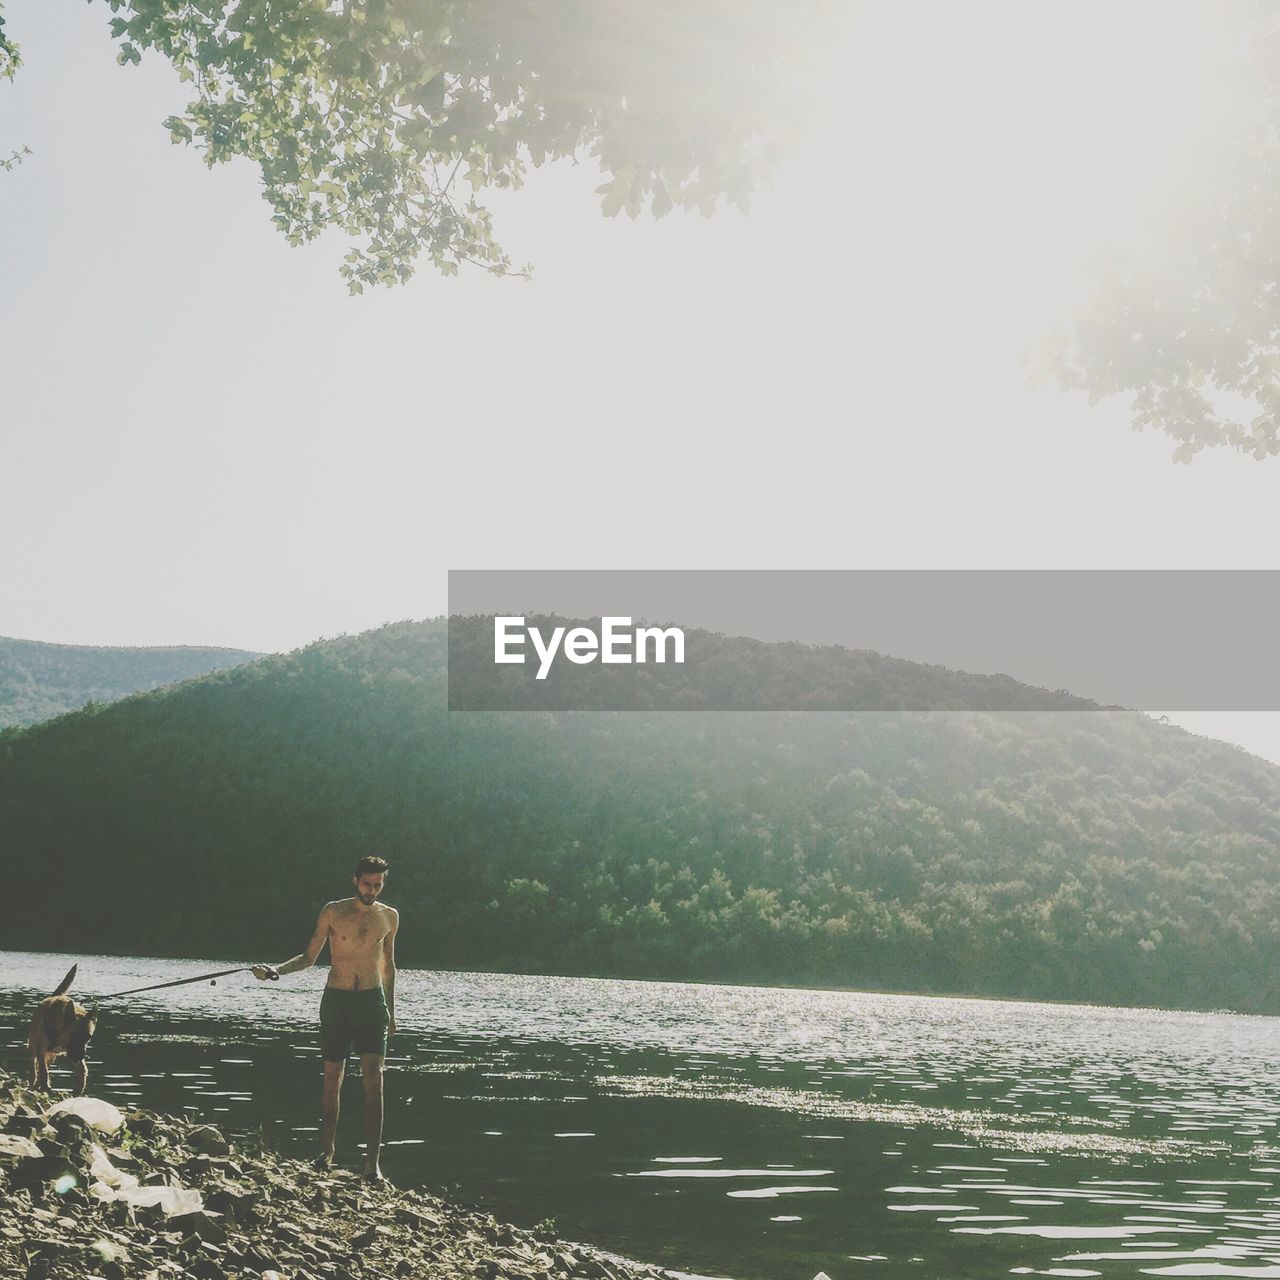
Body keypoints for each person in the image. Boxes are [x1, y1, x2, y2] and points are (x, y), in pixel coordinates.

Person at [252, 856, 399, 1180]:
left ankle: (371, 1164)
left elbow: (388, 966)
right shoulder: (334, 911)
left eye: (377, 885)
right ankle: (326, 1153)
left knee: (374, 1079)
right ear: (355, 880)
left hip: (372, 1002)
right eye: (366, 884)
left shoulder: (389, 917)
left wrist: (391, 1011)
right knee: (332, 1078)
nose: (371, 890)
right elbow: (308, 957)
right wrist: (275, 970)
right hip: (336, 1000)